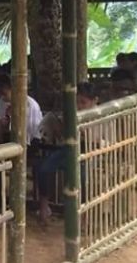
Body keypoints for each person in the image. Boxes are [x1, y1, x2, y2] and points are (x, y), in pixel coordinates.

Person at [37, 82, 98, 224]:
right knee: (44, 169)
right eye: (76, 102)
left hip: (91, 152)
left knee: (81, 175)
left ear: (95, 101)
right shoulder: (71, 114)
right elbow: (63, 138)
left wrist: (85, 133)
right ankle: (44, 205)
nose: (79, 106)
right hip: (69, 150)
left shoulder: (100, 114)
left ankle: (82, 211)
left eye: (83, 102)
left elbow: (100, 141)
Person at [0, 74, 43, 145]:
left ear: (13, 89)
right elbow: (2, 120)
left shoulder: (29, 104)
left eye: (4, 94)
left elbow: (31, 129)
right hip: (9, 137)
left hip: (30, 140)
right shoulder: (2, 101)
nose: (2, 97)